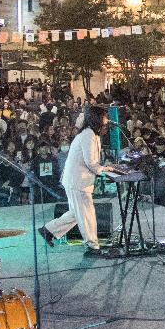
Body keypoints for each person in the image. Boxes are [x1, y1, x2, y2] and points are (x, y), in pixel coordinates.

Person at [40, 106, 114, 256]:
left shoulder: (91, 134)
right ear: (97, 118)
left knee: (76, 213)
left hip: (76, 180)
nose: (107, 120)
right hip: (78, 181)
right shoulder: (88, 135)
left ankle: (48, 230)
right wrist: (105, 170)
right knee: (86, 214)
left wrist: (103, 168)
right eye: (104, 117)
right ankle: (92, 246)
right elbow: (91, 163)